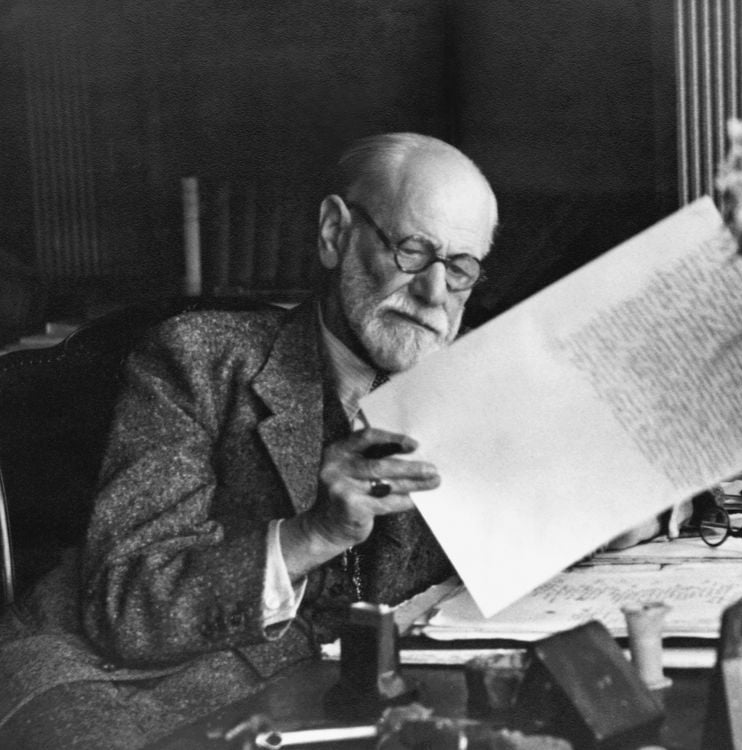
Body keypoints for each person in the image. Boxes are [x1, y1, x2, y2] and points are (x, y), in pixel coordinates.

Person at [0, 132, 661, 748]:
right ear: (335, 234)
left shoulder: (476, 390)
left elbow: (538, 515)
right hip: (131, 688)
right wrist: (310, 533)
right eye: (411, 252)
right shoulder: (197, 361)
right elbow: (129, 605)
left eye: (460, 269)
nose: (434, 293)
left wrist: (614, 515)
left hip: (337, 696)